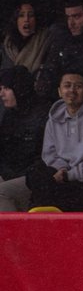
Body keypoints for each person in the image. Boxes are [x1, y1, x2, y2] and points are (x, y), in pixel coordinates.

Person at [25, 69, 83, 211]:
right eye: (67, 86)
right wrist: (62, 170)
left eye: (78, 86)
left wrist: (68, 175)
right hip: (63, 176)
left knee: (49, 194)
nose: (72, 90)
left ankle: (37, 218)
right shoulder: (53, 119)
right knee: (34, 173)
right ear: (59, 91)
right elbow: (49, 155)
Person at [0, 66, 49, 211]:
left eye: (6, 88)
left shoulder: (44, 114)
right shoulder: (9, 115)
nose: (1, 94)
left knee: (2, 192)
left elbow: (43, 157)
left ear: (19, 88)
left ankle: (12, 226)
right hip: (11, 173)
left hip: (34, 177)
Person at [2, 1, 53, 74]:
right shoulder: (7, 46)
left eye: (31, 15)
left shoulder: (46, 40)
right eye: (21, 15)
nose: (26, 19)